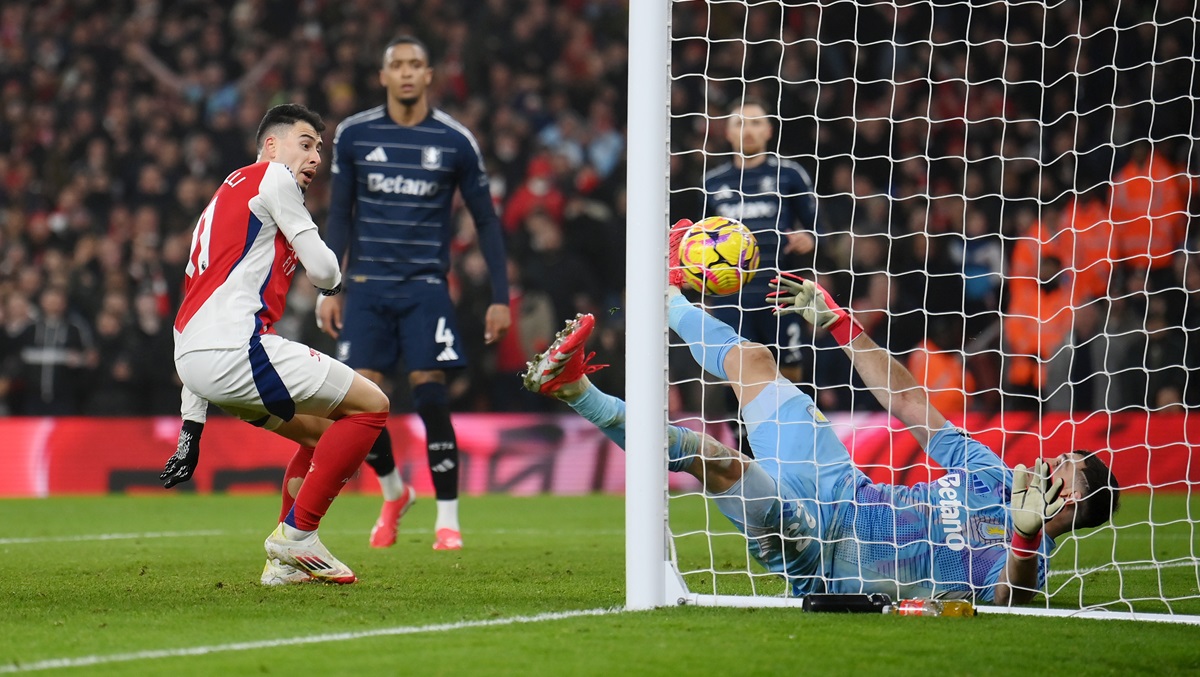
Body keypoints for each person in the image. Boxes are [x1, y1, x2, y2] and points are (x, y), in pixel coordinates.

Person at [520, 223, 1121, 603]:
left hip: (825, 554)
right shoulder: (991, 471)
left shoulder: (1027, 566)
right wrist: (843, 326)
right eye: (1058, 454)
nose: (1048, 461)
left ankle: (577, 392)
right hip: (842, 483)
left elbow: (1009, 600)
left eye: (1064, 467)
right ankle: (666, 292)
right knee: (754, 360)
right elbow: (910, 403)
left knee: (717, 461)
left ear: (1073, 502)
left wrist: (1024, 534)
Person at [160, 103, 391, 586]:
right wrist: (331, 290)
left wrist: (190, 430)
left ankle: (282, 568)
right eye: (305, 144)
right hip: (239, 349)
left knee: (318, 435)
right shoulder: (273, 178)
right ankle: (298, 537)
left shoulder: (221, 203)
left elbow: (188, 318)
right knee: (372, 407)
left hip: (196, 362)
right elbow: (325, 269)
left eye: (319, 150)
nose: (314, 158)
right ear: (271, 146)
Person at [317, 35, 511, 551]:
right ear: (383, 76)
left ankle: (448, 519)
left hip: (426, 288)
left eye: (415, 65)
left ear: (429, 76)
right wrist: (329, 285)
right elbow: (339, 215)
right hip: (365, 287)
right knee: (359, 400)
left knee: (430, 395)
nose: (406, 73)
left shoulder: (455, 140)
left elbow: (486, 219)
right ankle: (393, 492)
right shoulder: (355, 135)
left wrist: (500, 294)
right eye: (396, 65)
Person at [702, 98, 818, 452]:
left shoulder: (790, 174)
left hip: (780, 291)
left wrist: (808, 238)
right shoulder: (712, 182)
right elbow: (695, 242)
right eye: (739, 123)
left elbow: (818, 230)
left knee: (791, 370)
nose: (747, 130)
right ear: (727, 132)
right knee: (733, 376)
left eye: (754, 122)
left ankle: (798, 448)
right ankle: (747, 453)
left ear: (769, 130)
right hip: (729, 298)